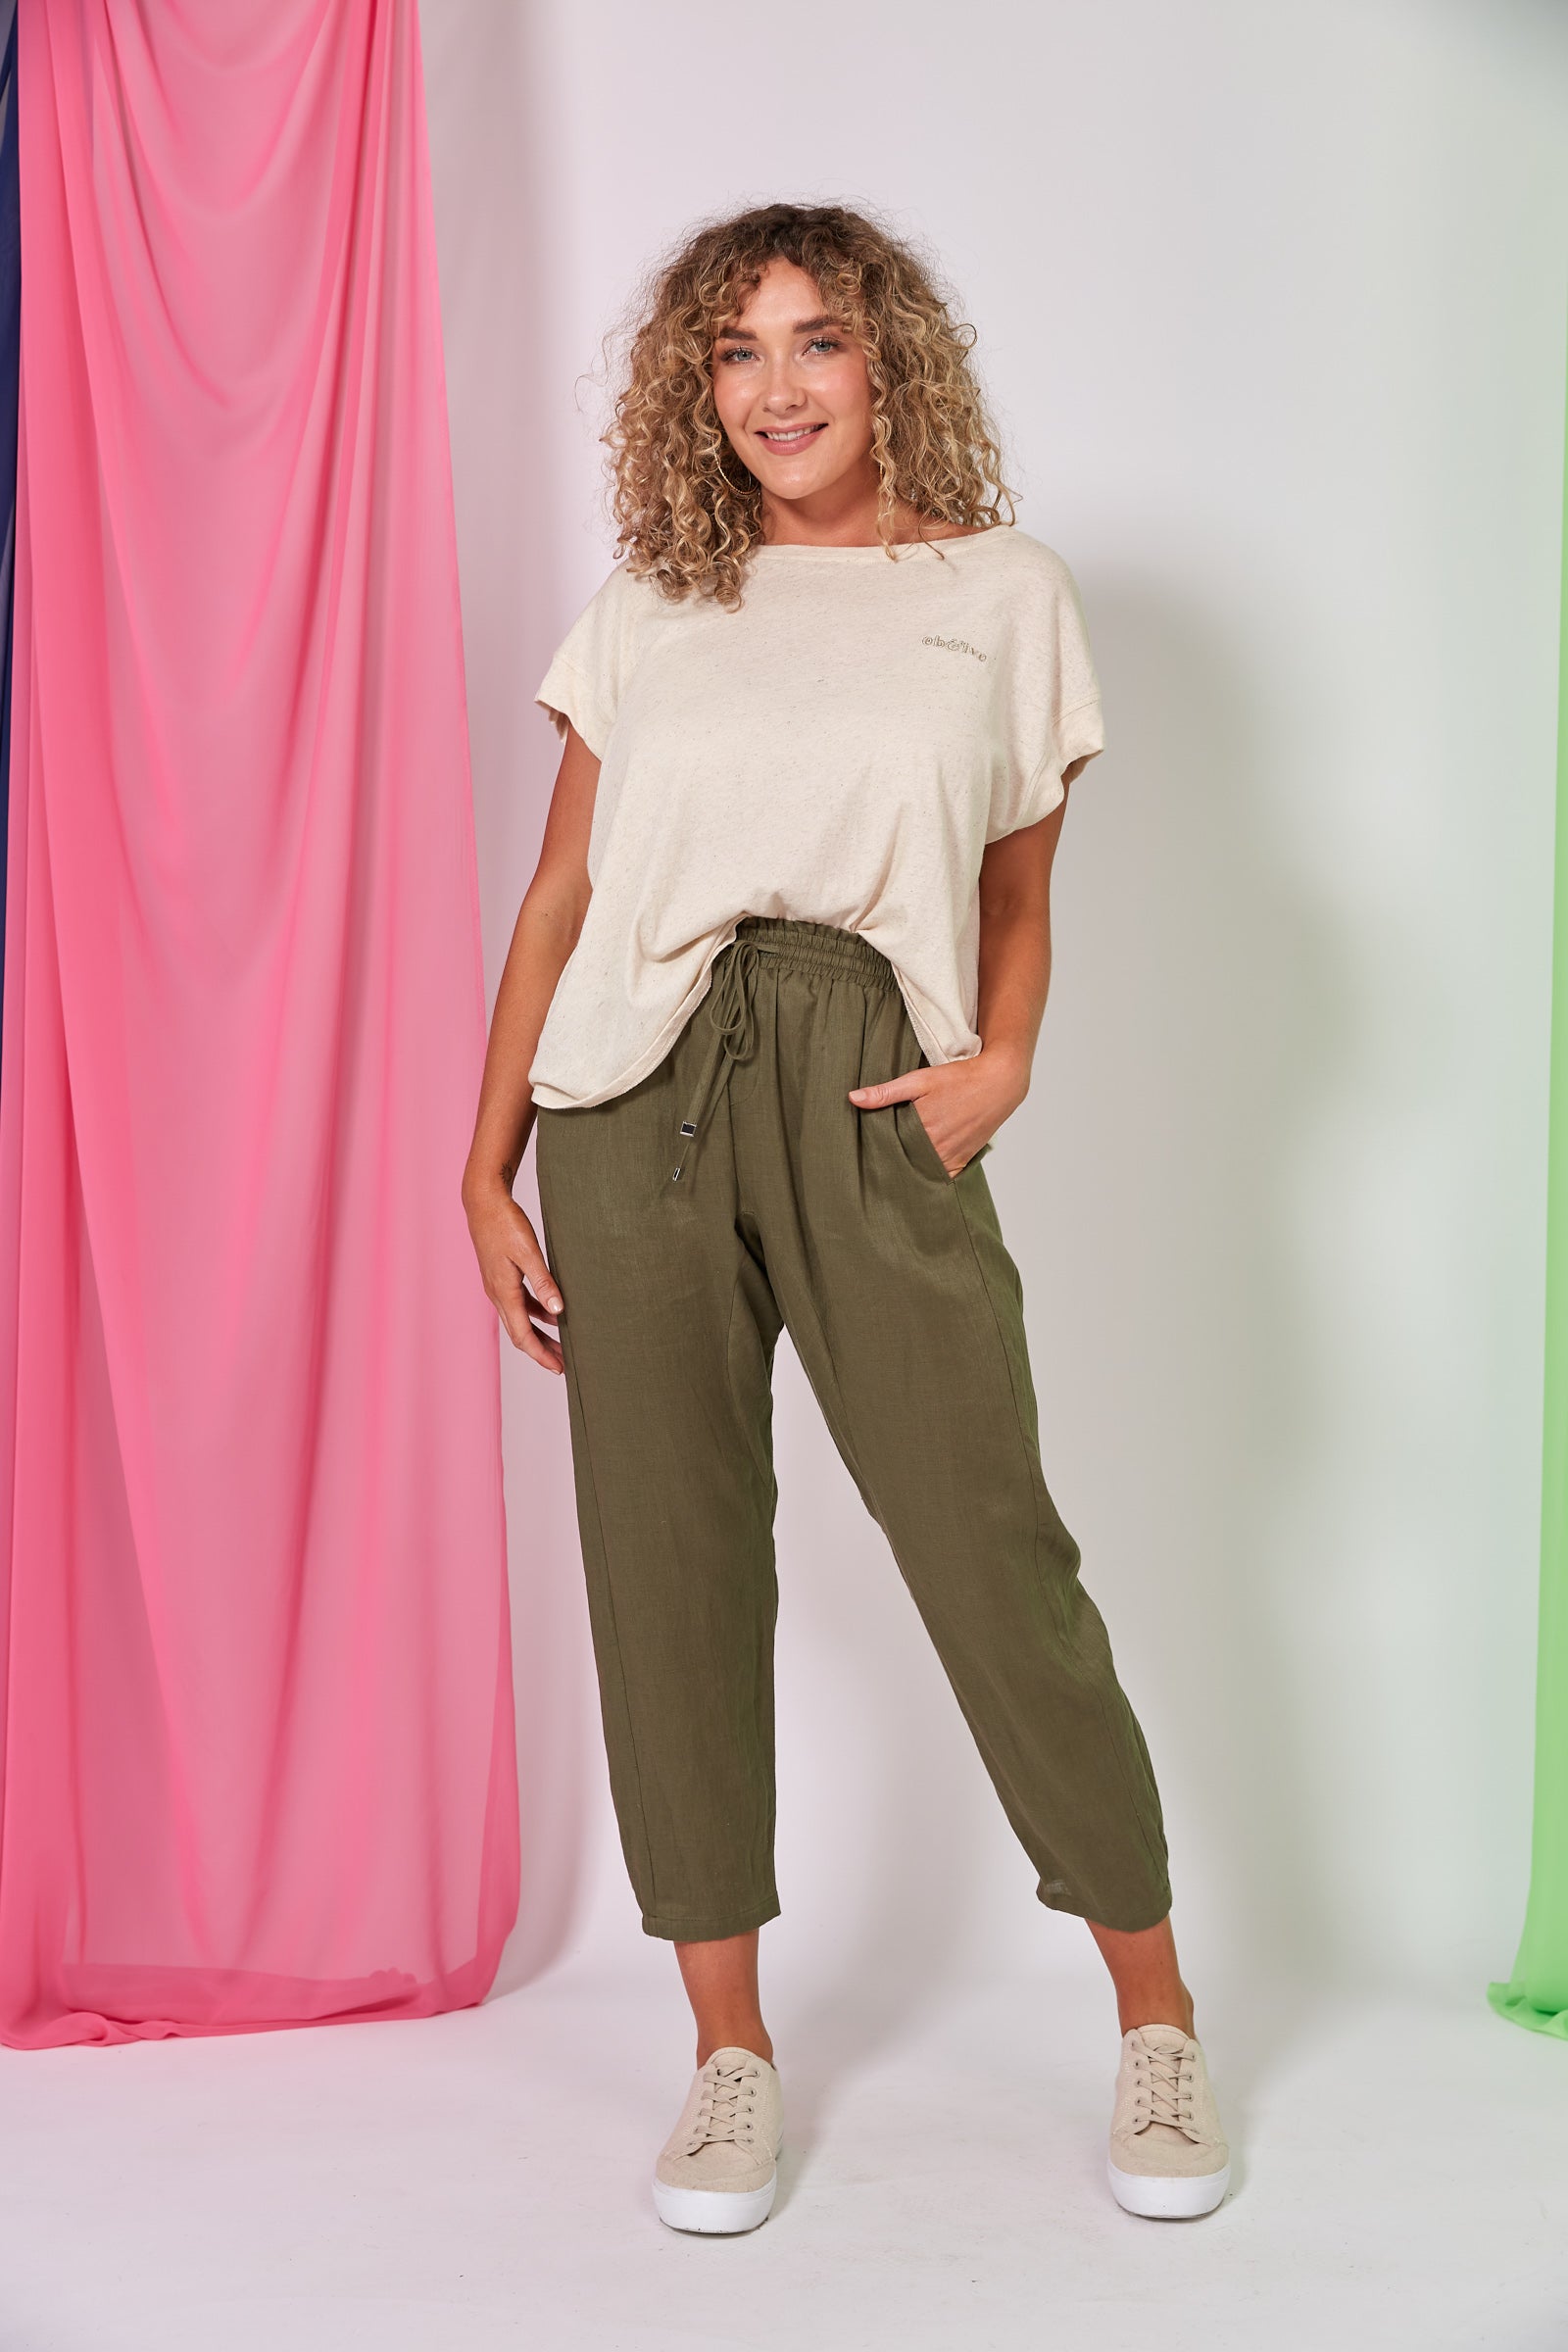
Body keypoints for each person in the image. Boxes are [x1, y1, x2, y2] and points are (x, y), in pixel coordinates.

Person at [464, 202, 1230, 2232]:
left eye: (817, 341)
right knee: (668, 1569)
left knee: (990, 1553)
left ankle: (1155, 2013)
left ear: (889, 362)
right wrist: (483, 1161)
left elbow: (1015, 895)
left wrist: (1007, 1060)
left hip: (875, 1084)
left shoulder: (999, 593)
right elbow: (560, 896)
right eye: (735, 350)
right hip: (633, 1099)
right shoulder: (654, 604)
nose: (777, 387)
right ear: (692, 388)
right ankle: (727, 2054)